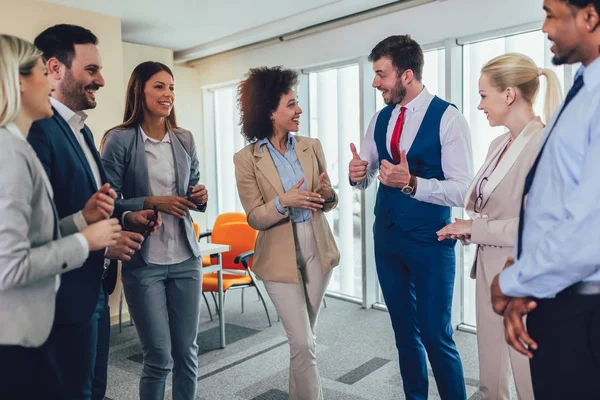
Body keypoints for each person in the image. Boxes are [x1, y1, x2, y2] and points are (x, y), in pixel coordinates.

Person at [27, 24, 159, 400]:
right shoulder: (36, 131)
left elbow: (99, 200)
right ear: (54, 69)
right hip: (58, 302)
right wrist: (98, 241)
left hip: (95, 290)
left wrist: (127, 217)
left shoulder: (82, 131)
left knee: (94, 391)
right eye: (91, 70)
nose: (101, 80)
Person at [349, 35, 473, 399]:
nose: (375, 83)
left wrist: (414, 183)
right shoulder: (380, 118)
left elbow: (463, 190)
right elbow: (367, 174)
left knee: (436, 337)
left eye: (380, 75)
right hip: (387, 240)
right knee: (404, 334)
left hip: (431, 242)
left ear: (406, 75)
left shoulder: (449, 118)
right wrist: (358, 174)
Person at [0, 34, 122, 400]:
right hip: (22, 329)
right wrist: (86, 241)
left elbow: (37, 236)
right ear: (19, 81)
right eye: (42, 72)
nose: (50, 83)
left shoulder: (17, 147)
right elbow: (10, 266)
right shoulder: (11, 153)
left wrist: (83, 220)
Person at [490, 1, 600, 399]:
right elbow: (553, 203)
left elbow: (590, 229)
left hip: (583, 308)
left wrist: (511, 281)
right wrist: (527, 279)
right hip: (554, 293)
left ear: (590, 17)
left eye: (551, 13)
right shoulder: (583, 88)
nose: (544, 27)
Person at [437, 53, 562, 400]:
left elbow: (537, 227)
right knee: (490, 376)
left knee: (528, 380)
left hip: (524, 273)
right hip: (488, 268)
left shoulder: (544, 144)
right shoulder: (497, 144)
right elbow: (484, 204)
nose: (478, 105)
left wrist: (475, 229)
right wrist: (467, 227)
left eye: (483, 95)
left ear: (508, 94)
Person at [101, 61, 208, 400]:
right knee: (159, 358)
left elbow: (192, 191)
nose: (168, 94)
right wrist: (150, 202)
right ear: (140, 91)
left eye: (172, 87)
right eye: (159, 87)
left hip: (186, 259)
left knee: (187, 354)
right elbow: (106, 201)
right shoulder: (119, 140)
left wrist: (199, 197)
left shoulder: (184, 138)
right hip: (144, 262)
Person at [234, 66, 339, 400]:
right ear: (270, 112)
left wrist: (327, 194)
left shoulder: (311, 145)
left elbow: (329, 199)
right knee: (304, 342)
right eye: (292, 104)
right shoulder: (246, 159)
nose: (299, 110)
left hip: (317, 249)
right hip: (278, 256)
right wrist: (283, 201)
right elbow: (254, 216)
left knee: (303, 339)